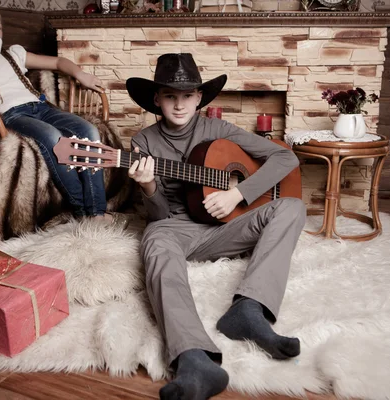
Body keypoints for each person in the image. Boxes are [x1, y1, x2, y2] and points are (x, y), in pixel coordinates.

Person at [126, 53, 306, 399]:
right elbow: (159, 216)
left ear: (199, 97)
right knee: (155, 243)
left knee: (292, 208)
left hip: (226, 225)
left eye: (188, 96)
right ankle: (193, 357)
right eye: (169, 96)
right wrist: (148, 186)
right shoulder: (143, 143)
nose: (179, 105)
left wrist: (238, 193)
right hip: (177, 227)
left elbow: (285, 157)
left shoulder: (218, 129)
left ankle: (249, 310)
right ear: (156, 99)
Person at [0, 3, 112, 222]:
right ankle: (80, 210)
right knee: (53, 138)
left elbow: (58, 62)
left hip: (41, 107)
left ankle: (97, 211)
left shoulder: (14, 54)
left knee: (88, 130)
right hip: (11, 116)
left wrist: (80, 74)